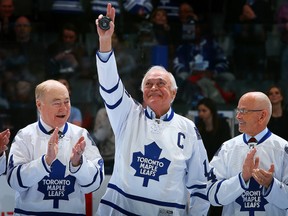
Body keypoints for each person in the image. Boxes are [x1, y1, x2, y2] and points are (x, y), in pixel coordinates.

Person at [95, 3, 210, 215]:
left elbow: (200, 185)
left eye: (161, 83)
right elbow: (109, 86)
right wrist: (105, 40)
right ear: (142, 92)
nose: (154, 87)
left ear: (174, 93)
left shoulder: (188, 128)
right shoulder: (127, 115)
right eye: (148, 84)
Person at [6, 79, 104, 215]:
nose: (64, 108)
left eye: (67, 101)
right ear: (39, 105)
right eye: (57, 103)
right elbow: (14, 181)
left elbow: (95, 183)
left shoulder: (81, 135)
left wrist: (78, 164)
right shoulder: (25, 135)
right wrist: (45, 161)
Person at [207, 91, 288, 215]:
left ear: (262, 116)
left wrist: (271, 185)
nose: (238, 116)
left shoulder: (283, 149)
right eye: (238, 110)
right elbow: (212, 196)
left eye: (243, 111)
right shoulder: (226, 148)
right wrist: (241, 179)